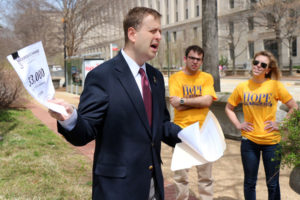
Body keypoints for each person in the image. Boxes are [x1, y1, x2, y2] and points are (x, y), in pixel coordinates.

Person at [48, 7, 181, 200]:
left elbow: (160, 125)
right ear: (132, 34)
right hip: (116, 190)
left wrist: (189, 137)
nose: (159, 36)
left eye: (160, 31)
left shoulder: (156, 78)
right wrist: (70, 119)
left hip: (153, 187)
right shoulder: (102, 76)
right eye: (153, 31)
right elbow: (85, 132)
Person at [225, 51, 298, 200]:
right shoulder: (242, 86)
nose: (258, 66)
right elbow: (228, 107)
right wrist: (239, 125)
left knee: (272, 184)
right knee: (250, 182)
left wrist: (281, 124)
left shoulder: (275, 86)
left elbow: (294, 107)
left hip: (271, 143)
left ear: (268, 70)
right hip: (249, 141)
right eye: (256, 62)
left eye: (263, 64)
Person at [169, 45, 217, 200]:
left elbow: (207, 101)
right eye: (192, 58)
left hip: (204, 133)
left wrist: (184, 100)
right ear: (185, 58)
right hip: (182, 132)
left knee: (206, 178)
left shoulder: (207, 78)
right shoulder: (175, 78)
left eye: (199, 59)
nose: (195, 62)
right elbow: (176, 105)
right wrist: (198, 101)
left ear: (202, 61)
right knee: (181, 178)